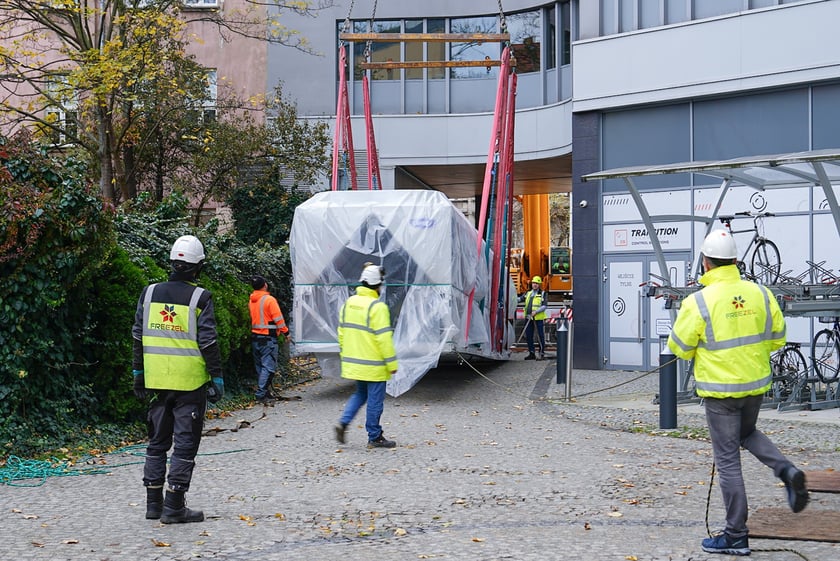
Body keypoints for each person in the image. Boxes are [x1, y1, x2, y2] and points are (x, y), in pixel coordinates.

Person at [667, 229, 808, 556]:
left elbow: (680, 348)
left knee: (728, 461)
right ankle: (786, 470)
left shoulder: (698, 301)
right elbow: (777, 338)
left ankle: (735, 534)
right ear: (734, 260)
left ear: (705, 263)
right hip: (755, 386)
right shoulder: (760, 293)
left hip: (720, 393)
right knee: (748, 432)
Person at [131, 235, 224, 524]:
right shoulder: (200, 298)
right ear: (198, 267)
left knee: (157, 442)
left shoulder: (148, 294)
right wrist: (217, 376)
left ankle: (153, 504)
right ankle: (174, 506)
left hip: (156, 383)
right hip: (189, 384)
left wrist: (138, 373)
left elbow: (137, 336)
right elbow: (208, 342)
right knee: (184, 445)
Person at [334, 263, 398, 449]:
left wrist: (347, 355)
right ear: (377, 286)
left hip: (355, 363)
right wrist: (391, 362)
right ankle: (374, 436)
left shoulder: (349, 304)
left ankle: (343, 423)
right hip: (375, 365)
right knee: (375, 401)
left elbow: (342, 334)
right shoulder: (377, 307)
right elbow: (384, 339)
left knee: (360, 394)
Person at [249, 275, 290, 404]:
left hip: (256, 337)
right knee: (269, 368)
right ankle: (261, 394)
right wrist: (286, 332)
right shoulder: (269, 300)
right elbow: (278, 318)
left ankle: (265, 392)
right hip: (268, 338)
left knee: (261, 367)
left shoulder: (252, 300)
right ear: (265, 285)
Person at [519, 276, 547, 360]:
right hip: (528, 318)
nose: (535, 285)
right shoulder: (528, 293)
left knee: (540, 335)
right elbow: (520, 299)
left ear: (539, 285)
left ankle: (541, 352)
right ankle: (531, 353)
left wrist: (536, 312)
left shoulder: (542, 293)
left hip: (538, 318)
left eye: (536, 283)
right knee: (528, 335)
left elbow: (544, 306)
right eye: (534, 283)